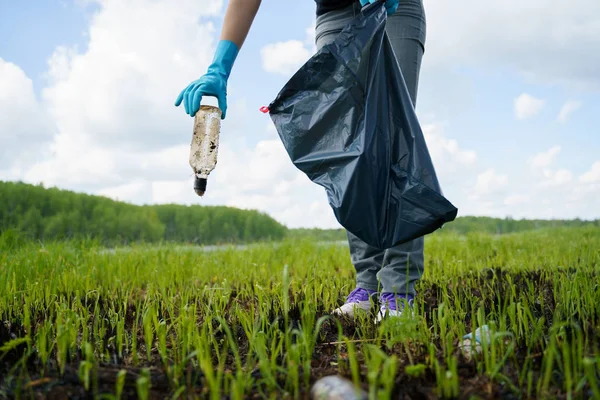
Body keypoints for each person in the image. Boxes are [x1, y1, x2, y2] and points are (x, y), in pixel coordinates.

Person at [175, 0, 427, 323]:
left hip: (392, 8)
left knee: (394, 140)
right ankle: (367, 285)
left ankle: (399, 290)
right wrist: (218, 68)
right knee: (348, 152)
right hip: (335, 15)